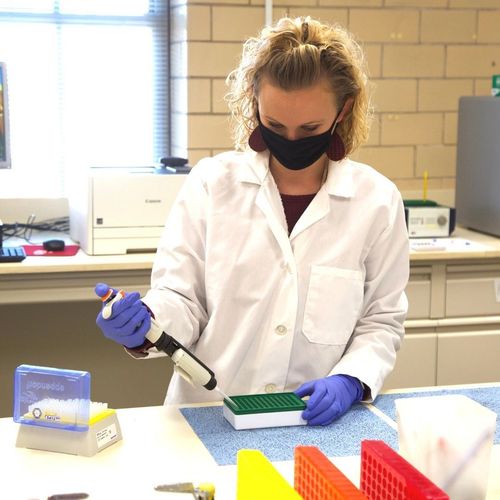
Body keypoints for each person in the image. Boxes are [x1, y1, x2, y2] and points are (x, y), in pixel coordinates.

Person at [95, 16, 409, 426]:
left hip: (314, 422)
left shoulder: (377, 201)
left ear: (343, 109)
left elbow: (381, 321)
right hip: (209, 416)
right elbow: (183, 299)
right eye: (275, 125)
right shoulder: (213, 184)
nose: (291, 140)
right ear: (254, 100)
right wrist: (147, 323)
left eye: (310, 127)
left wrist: (351, 378)